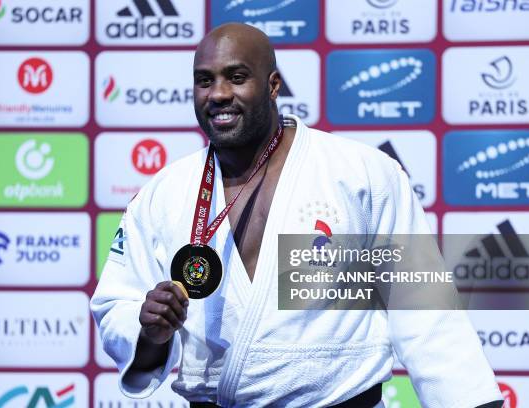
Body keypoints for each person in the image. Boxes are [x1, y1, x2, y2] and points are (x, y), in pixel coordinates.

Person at [91, 23, 503, 407]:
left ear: (273, 86)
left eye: (236, 77)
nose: (217, 93)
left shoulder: (358, 174)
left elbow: (423, 305)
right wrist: (150, 332)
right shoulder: (164, 193)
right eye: (204, 80)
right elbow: (118, 302)